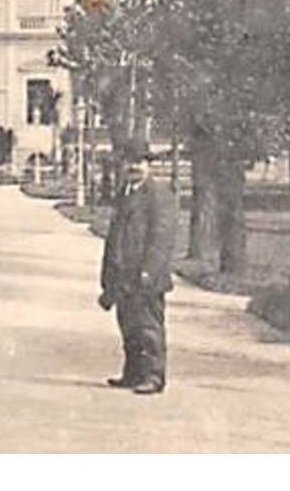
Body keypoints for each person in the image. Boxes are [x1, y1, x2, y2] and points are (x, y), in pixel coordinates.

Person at [98, 141, 178, 394]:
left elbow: (161, 238)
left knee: (148, 327)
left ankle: (154, 376)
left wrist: (149, 271)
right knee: (128, 325)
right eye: (129, 161)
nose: (133, 166)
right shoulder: (125, 193)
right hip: (123, 274)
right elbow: (115, 236)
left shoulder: (158, 195)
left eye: (139, 161)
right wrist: (108, 275)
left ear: (149, 165)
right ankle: (132, 373)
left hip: (144, 275)